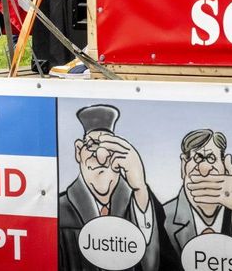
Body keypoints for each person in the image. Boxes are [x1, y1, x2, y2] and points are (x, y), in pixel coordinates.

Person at [58, 104, 173, 271]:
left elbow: (157, 263)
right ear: (78, 151)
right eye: (92, 145)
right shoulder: (60, 211)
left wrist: (140, 187)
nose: (101, 157)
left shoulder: (140, 206)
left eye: (110, 147)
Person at [162, 129, 232, 267]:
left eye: (211, 158)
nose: (205, 169)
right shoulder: (162, 218)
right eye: (197, 158)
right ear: (183, 165)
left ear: (224, 166)